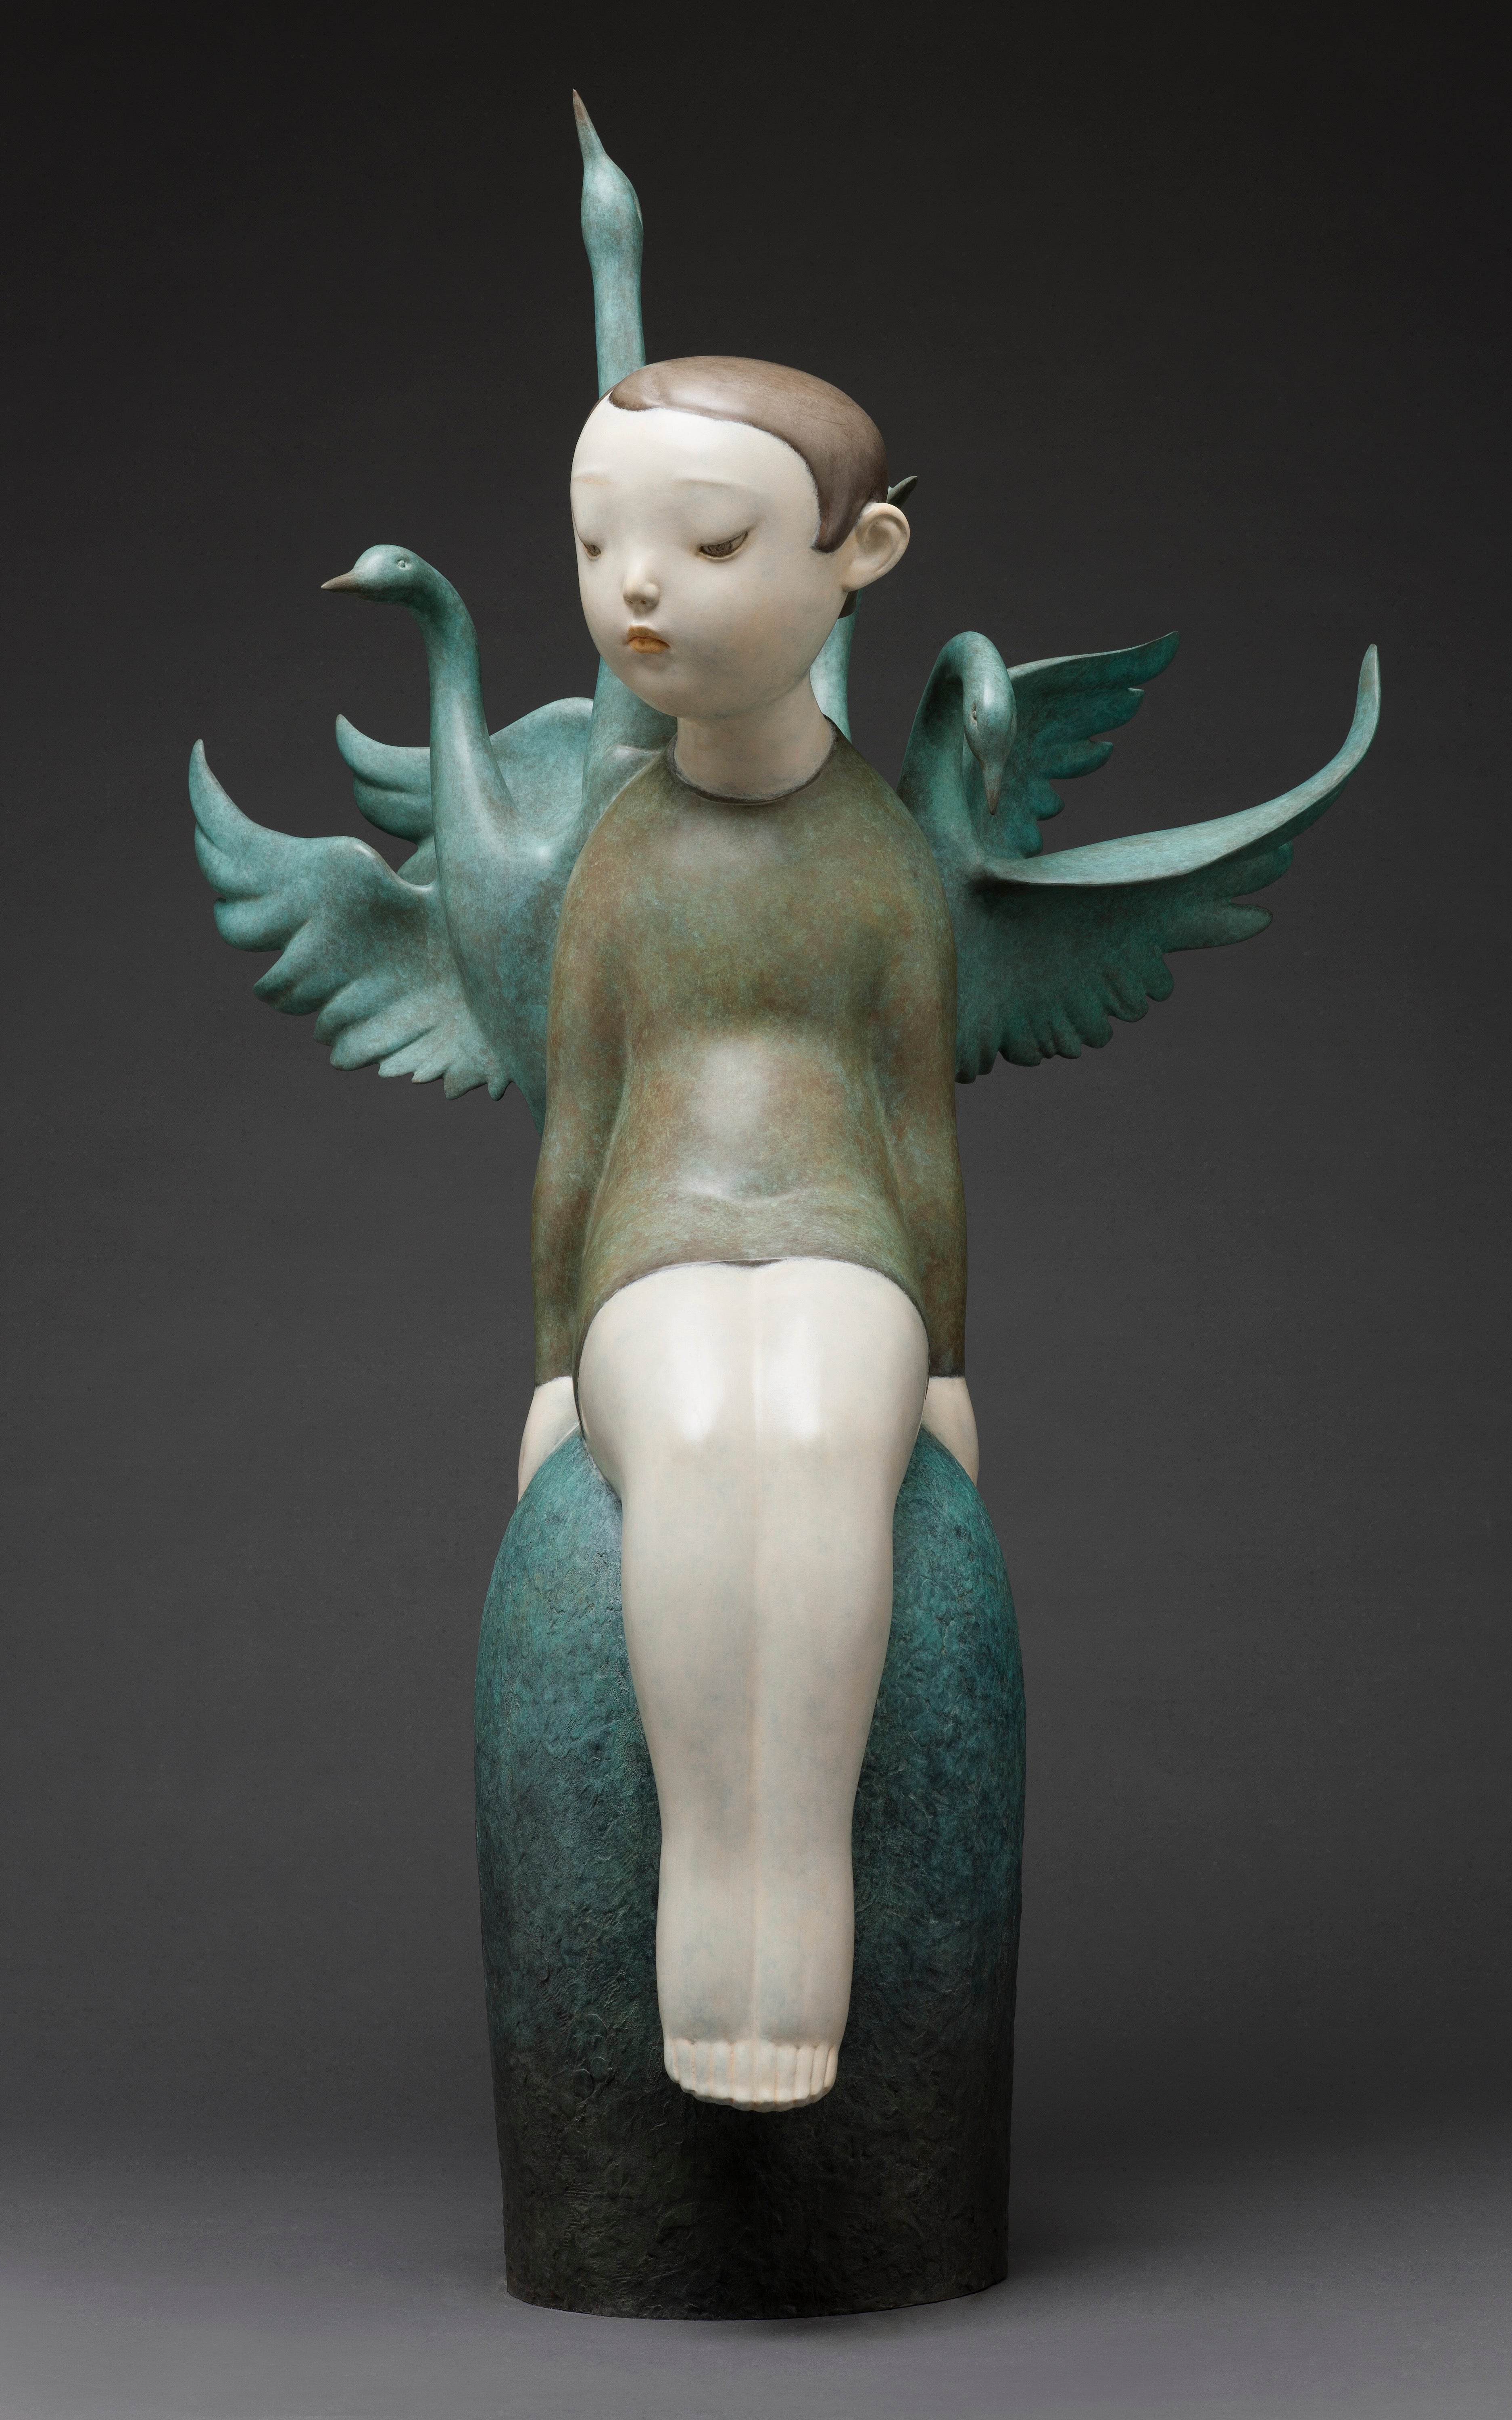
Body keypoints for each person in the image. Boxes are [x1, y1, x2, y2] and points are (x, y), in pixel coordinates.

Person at [517, 357, 978, 2111]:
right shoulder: (623, 860)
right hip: (655, 1243)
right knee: (709, 1430)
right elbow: (580, 1126)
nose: (638, 587)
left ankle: (803, 1887)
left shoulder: (879, 857)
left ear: (862, 553)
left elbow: (916, 1124)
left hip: (847, 1237)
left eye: (707, 545)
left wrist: (947, 1364)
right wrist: (550, 1370)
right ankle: (719, 1886)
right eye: (597, 544)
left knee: (824, 1427)